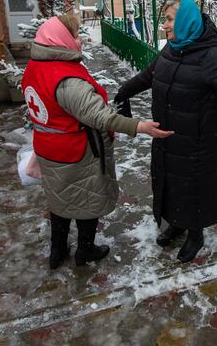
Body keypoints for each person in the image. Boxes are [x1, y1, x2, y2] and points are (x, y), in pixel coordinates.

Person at [114, 0, 217, 263]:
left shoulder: (210, 56)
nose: (164, 25)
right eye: (164, 19)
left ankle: (195, 235)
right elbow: (148, 76)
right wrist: (124, 91)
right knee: (171, 185)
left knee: (193, 188)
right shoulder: (171, 49)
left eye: (169, 19)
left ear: (187, 21)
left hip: (198, 143)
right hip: (167, 137)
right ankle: (176, 223)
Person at [21, 14, 172, 270]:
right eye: (76, 35)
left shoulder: (36, 67)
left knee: (60, 199)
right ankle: (85, 250)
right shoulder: (66, 80)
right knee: (86, 201)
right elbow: (100, 117)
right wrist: (139, 127)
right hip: (77, 152)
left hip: (48, 147)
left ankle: (57, 252)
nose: (80, 40)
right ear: (61, 40)